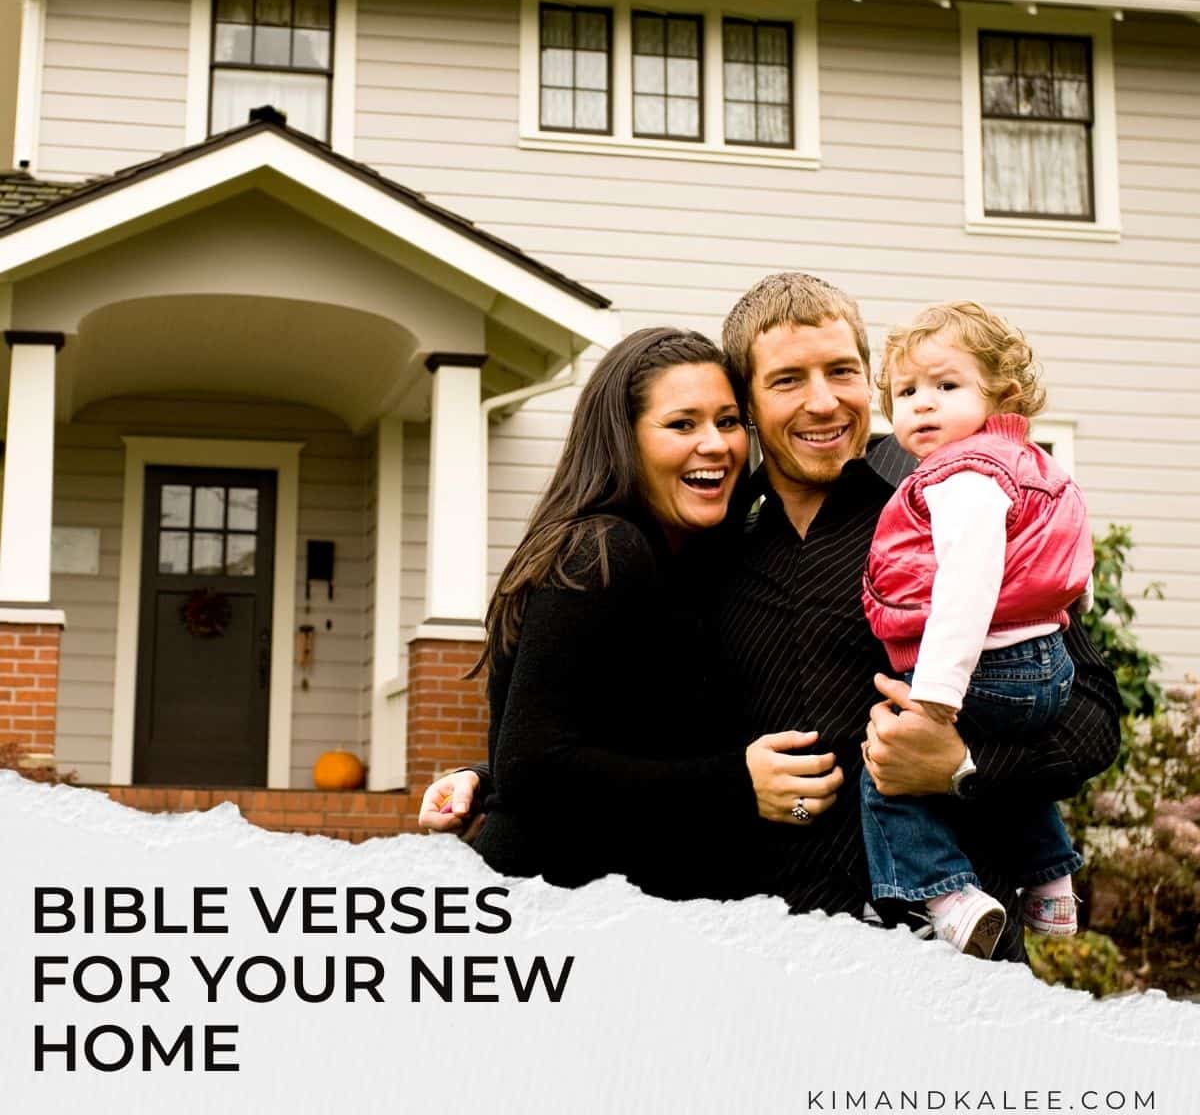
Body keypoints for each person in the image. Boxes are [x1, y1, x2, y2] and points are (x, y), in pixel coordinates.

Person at [423, 276, 1121, 965]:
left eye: (842, 371)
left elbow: (1092, 713)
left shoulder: (943, 511)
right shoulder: (706, 549)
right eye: (788, 380)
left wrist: (963, 768)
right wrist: (496, 776)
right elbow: (644, 736)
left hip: (947, 953)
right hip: (762, 957)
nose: (823, 402)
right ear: (749, 405)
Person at [452, 326, 845, 898]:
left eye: (729, 421)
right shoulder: (603, 550)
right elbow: (535, 768)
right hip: (562, 917)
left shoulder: (695, 557)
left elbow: (611, 738)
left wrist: (479, 778)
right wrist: (736, 783)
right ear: (624, 440)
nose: (715, 444)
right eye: (682, 424)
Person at [859, 301, 1094, 958]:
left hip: (987, 668)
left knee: (885, 774)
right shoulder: (1025, 465)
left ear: (1001, 396)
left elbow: (966, 583)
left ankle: (949, 897)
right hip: (1042, 662)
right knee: (1005, 762)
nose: (922, 404)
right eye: (906, 392)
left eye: (945, 385)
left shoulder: (964, 474)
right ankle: (1051, 883)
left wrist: (935, 695)